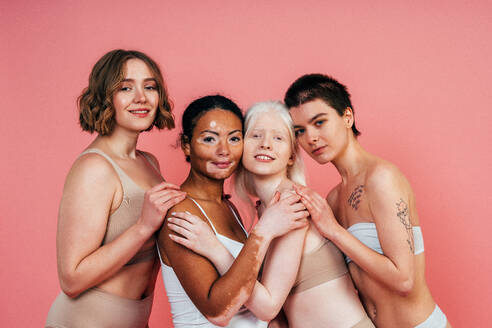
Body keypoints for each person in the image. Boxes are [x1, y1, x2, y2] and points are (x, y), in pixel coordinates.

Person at [167, 101, 374, 328]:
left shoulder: (292, 204)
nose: (266, 145)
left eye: (278, 138)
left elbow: (268, 306)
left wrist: (215, 249)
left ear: (292, 155)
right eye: (256, 136)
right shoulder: (266, 210)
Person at [284, 73, 451, 328]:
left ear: (347, 117)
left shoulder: (381, 178)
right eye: (300, 131)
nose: (311, 138)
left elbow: (404, 280)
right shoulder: (334, 198)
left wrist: (334, 231)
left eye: (319, 122)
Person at [45, 49, 187, 328]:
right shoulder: (95, 168)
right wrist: (143, 227)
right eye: (125, 88)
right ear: (104, 96)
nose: (141, 98)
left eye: (149, 86)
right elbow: (71, 279)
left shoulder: (150, 163)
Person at [157, 96, 309, 328]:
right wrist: (264, 231)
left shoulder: (230, 208)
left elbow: (247, 290)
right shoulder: (181, 212)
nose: (224, 151)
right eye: (209, 139)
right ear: (187, 145)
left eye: (234, 139)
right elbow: (218, 313)